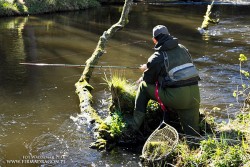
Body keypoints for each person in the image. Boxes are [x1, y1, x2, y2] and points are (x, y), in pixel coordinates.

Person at [130, 25, 201, 137]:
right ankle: (195, 148)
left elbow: (149, 80)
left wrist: (145, 70)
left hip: (177, 98)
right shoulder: (183, 48)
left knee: (143, 86)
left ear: (154, 40)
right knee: (193, 134)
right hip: (195, 96)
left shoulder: (157, 56)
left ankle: (133, 127)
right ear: (169, 35)